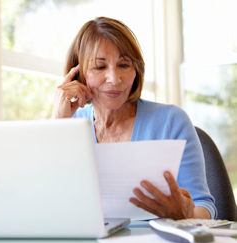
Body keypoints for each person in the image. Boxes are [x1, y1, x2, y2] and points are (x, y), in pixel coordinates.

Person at [52, 16, 217, 220]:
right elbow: (48, 202)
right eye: (100, 67)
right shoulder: (68, 125)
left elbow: (204, 207)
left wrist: (185, 215)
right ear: (78, 74)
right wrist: (58, 125)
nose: (114, 79)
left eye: (124, 65)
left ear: (136, 70)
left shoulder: (171, 121)